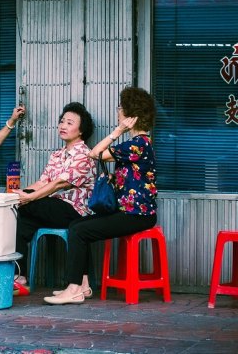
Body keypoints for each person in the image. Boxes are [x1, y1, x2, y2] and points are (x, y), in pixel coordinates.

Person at [44, 86, 158, 305]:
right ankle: (83, 286)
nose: (118, 112)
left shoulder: (137, 144)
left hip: (136, 215)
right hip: (129, 212)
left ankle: (74, 288)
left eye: (120, 108)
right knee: (77, 224)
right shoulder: (139, 144)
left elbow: (94, 153)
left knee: (80, 230)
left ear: (129, 116)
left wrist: (117, 131)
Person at [11, 102, 96, 296]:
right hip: (55, 207)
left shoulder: (85, 155)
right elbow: (43, 183)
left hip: (76, 210)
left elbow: (59, 184)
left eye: (70, 122)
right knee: (20, 215)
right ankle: (20, 276)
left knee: (27, 207)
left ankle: (81, 283)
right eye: (62, 121)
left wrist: (29, 197)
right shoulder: (57, 155)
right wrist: (17, 195)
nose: (63, 126)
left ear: (81, 130)